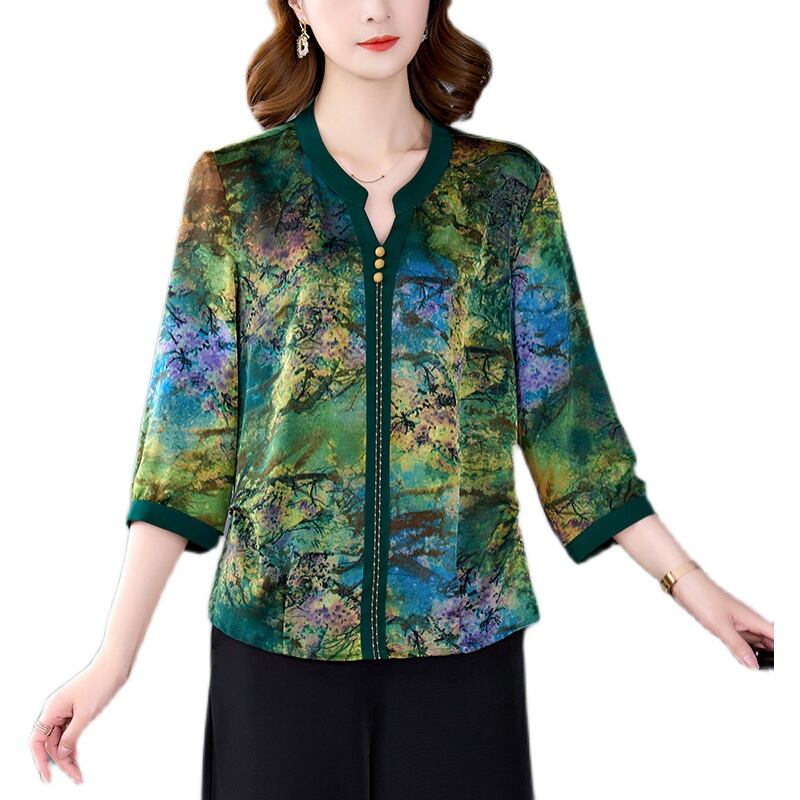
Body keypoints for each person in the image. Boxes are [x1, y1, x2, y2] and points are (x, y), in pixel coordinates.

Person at [30, 1, 775, 796]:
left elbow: (568, 422)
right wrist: (113, 661)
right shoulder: (240, 190)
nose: (376, 9)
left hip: (463, 647)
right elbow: (186, 440)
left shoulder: (506, 192)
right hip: (277, 648)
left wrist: (693, 586)